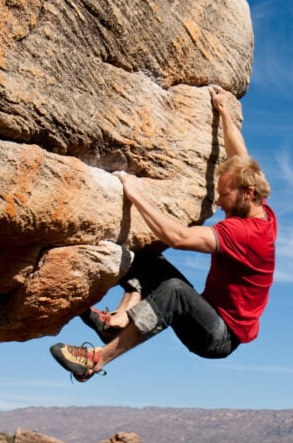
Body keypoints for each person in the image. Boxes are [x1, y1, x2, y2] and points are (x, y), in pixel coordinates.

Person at [50, 85, 277, 382]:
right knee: (145, 259)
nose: (218, 201)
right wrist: (223, 111)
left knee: (175, 292)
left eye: (224, 195)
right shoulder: (260, 208)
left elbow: (179, 238)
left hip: (220, 337)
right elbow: (240, 156)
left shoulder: (245, 233)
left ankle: (96, 359)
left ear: (247, 194)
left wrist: (136, 195)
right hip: (209, 311)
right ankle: (117, 320)